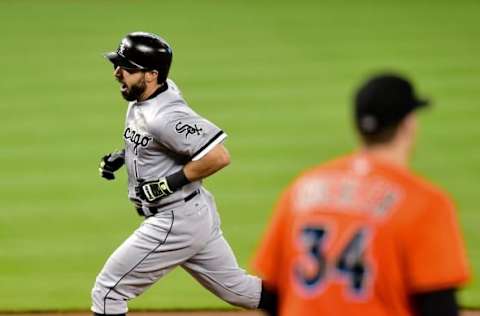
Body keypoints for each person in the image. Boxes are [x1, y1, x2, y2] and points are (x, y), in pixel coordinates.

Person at [253, 73, 470, 316]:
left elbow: (272, 295)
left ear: (357, 126)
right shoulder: (426, 202)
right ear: (408, 124)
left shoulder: (301, 189)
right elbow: (439, 307)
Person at [91, 31, 272, 315]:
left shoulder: (166, 117)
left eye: (126, 68)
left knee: (107, 292)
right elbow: (154, 142)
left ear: (151, 74)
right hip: (194, 213)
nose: (117, 73)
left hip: (175, 220)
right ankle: (320, 301)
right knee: (240, 291)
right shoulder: (147, 95)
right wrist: (123, 155)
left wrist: (165, 184)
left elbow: (218, 156)